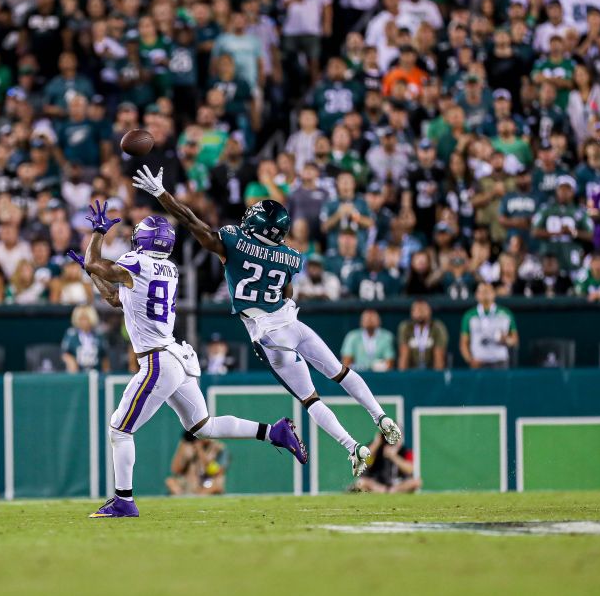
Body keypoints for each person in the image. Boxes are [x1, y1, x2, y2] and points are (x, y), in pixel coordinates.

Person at [134, 166, 401, 483]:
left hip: (268, 336)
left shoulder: (234, 241)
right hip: (292, 323)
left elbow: (193, 222)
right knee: (340, 372)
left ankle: (353, 446)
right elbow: (287, 291)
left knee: (311, 399)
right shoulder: (291, 256)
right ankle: (379, 415)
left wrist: (160, 193)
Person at [72, 198, 306, 518]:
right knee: (203, 427)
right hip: (176, 357)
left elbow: (96, 265)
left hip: (158, 359)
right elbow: (115, 297)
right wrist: (92, 271)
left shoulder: (135, 263)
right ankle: (272, 432)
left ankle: (124, 499)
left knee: (119, 429)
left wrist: (97, 235)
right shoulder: (168, 269)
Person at [459, 283, 519, 369]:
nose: (485, 294)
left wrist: (506, 340)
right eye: (482, 291)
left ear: (494, 294)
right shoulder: (469, 316)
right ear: (476, 295)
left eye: (488, 291)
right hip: (478, 361)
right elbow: (463, 343)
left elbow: (515, 340)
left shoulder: (506, 313)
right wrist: (470, 360)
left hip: (500, 361)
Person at [354, 432, 421, 494]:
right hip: (377, 483)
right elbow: (363, 461)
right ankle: (385, 491)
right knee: (361, 483)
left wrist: (393, 456)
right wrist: (376, 443)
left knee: (416, 482)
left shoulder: (404, 451)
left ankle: (391, 491)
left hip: (397, 485)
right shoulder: (376, 448)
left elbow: (409, 470)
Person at [397, 299, 449, 371]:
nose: (420, 313)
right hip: (411, 371)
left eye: (423, 309)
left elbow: (439, 357)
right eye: (417, 310)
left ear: (430, 311)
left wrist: (437, 378)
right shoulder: (406, 327)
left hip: (431, 371)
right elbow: (403, 356)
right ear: (411, 313)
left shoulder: (437, 327)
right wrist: (402, 377)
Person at [61, 304, 109, 373]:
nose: (83, 322)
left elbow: (104, 357)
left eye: (86, 318)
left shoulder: (99, 335)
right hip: (77, 374)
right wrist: (71, 363)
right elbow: (65, 353)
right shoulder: (71, 335)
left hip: (96, 373)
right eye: (81, 319)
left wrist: (106, 374)